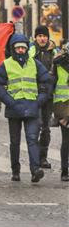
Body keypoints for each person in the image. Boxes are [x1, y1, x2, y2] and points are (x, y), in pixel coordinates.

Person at [0, 33, 54, 183]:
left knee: (32, 139)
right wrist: (9, 101)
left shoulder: (35, 64)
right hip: (14, 108)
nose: (21, 50)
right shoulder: (6, 64)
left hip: (32, 107)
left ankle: (35, 170)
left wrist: (39, 100)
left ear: (27, 49)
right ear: (13, 49)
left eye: (23, 47)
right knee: (15, 142)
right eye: (18, 48)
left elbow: (46, 82)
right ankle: (15, 170)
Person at [30, 25, 56, 170]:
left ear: (48, 37)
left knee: (45, 128)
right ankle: (35, 157)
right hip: (34, 93)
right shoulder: (30, 51)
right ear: (35, 37)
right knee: (36, 125)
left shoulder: (55, 53)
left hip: (49, 95)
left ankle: (43, 157)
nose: (42, 38)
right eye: (39, 36)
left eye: (44, 36)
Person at [51, 44, 69, 181]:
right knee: (66, 140)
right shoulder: (58, 65)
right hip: (63, 105)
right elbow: (52, 84)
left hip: (62, 105)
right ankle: (64, 170)